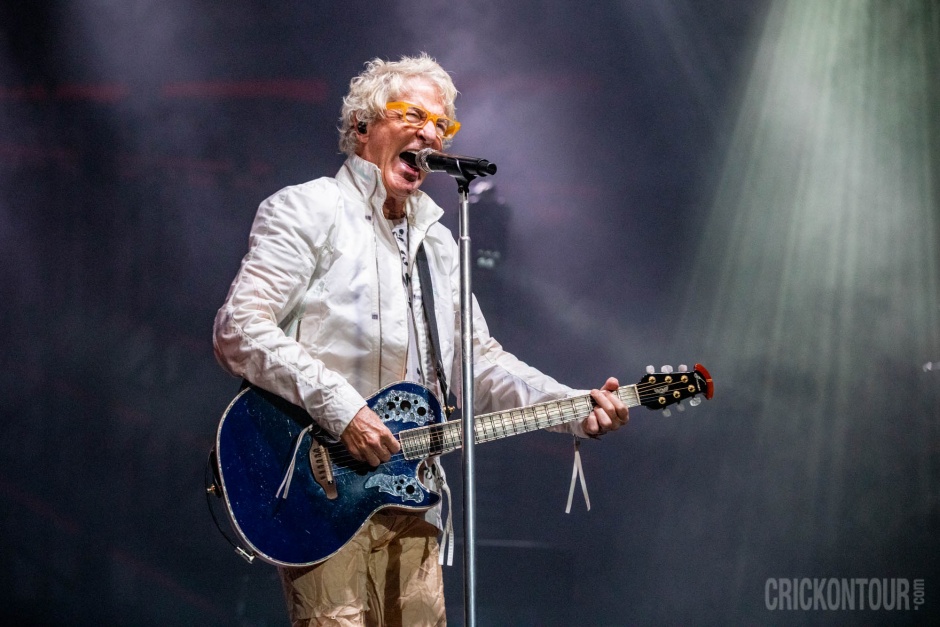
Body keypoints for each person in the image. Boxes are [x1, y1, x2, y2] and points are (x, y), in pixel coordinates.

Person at [213, 53, 628, 627]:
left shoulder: (438, 244)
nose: (430, 133)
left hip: (412, 494)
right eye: (412, 115)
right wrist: (343, 410)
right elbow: (239, 327)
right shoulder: (308, 209)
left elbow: (478, 363)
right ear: (362, 125)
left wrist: (571, 407)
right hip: (319, 488)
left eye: (441, 125)